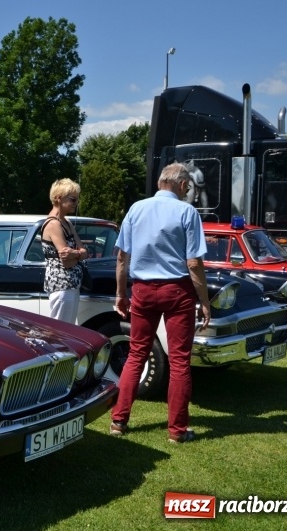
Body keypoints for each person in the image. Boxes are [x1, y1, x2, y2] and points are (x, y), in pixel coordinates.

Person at [109, 162, 211, 444]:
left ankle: (119, 420)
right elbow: (193, 262)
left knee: (136, 353)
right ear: (180, 184)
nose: (188, 190)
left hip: (142, 289)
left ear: (159, 183)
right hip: (177, 290)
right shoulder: (187, 212)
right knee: (179, 361)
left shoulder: (136, 209)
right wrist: (204, 301)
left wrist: (121, 293)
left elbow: (121, 257)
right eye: (188, 186)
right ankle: (177, 431)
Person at [40, 178, 88, 323]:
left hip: (72, 284)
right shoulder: (53, 223)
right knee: (60, 334)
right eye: (73, 199)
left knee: (68, 331)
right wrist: (78, 254)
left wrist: (76, 253)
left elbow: (84, 252)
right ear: (58, 198)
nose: (76, 203)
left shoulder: (66, 222)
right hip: (61, 285)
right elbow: (66, 262)